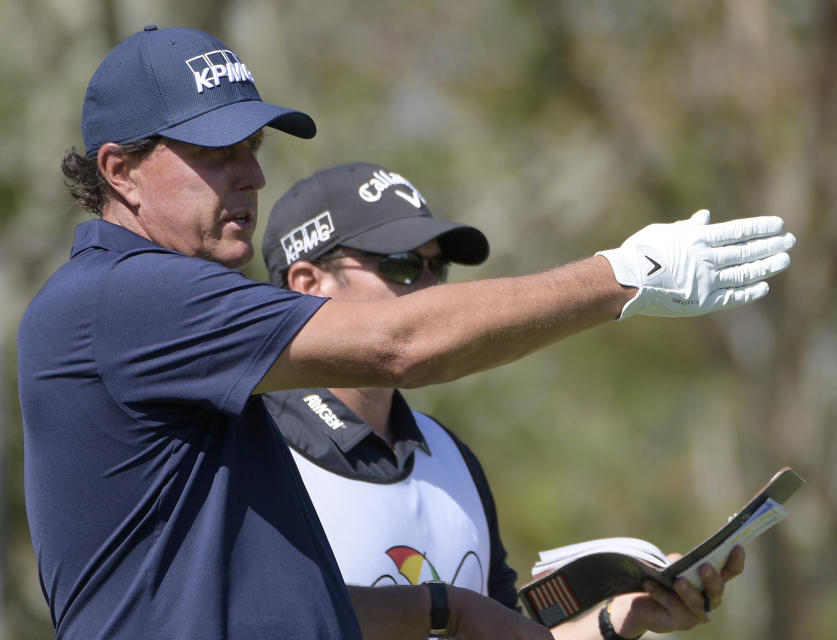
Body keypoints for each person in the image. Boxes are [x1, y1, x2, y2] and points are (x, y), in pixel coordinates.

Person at [16, 25, 793, 640]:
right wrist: (626, 275)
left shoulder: (169, 324)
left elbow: (292, 615)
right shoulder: (123, 298)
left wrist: (457, 612)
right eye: (218, 153)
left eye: (253, 150)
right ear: (119, 171)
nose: (252, 176)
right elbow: (401, 344)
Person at [260, 161, 748, 640]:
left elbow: (500, 631)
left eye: (438, 268)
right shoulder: (244, 453)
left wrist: (621, 619)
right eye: (404, 266)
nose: (431, 289)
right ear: (309, 284)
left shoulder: (451, 458)